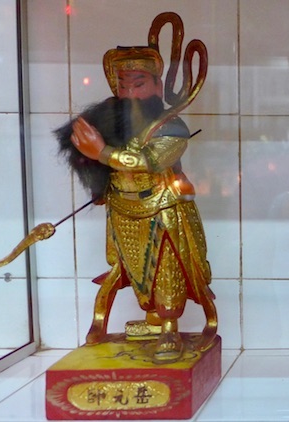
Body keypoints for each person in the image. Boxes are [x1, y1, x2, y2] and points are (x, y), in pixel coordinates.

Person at [64, 45, 216, 362]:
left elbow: (149, 161)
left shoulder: (171, 127)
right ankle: (145, 319)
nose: (130, 93)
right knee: (128, 268)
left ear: (158, 86)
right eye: (122, 85)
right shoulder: (112, 124)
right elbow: (93, 160)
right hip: (122, 209)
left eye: (139, 84)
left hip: (161, 208)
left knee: (166, 268)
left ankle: (169, 328)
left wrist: (102, 152)